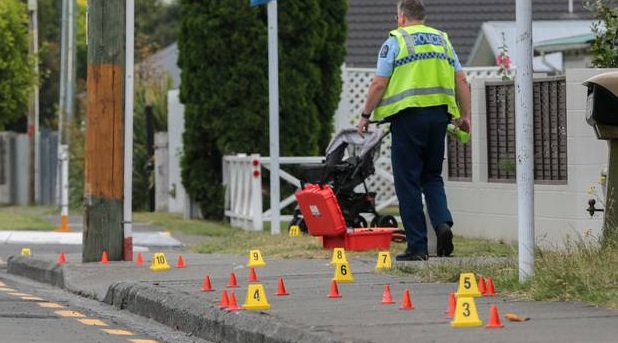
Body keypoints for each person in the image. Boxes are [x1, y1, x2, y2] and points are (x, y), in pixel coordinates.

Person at [357, 0, 471, 261]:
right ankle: (442, 224)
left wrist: (365, 115)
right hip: (439, 118)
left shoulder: (396, 40)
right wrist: (464, 116)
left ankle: (417, 246)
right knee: (431, 176)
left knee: (407, 181)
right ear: (423, 16)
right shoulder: (442, 40)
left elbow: (378, 84)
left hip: (408, 119)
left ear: (401, 18)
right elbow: (462, 80)